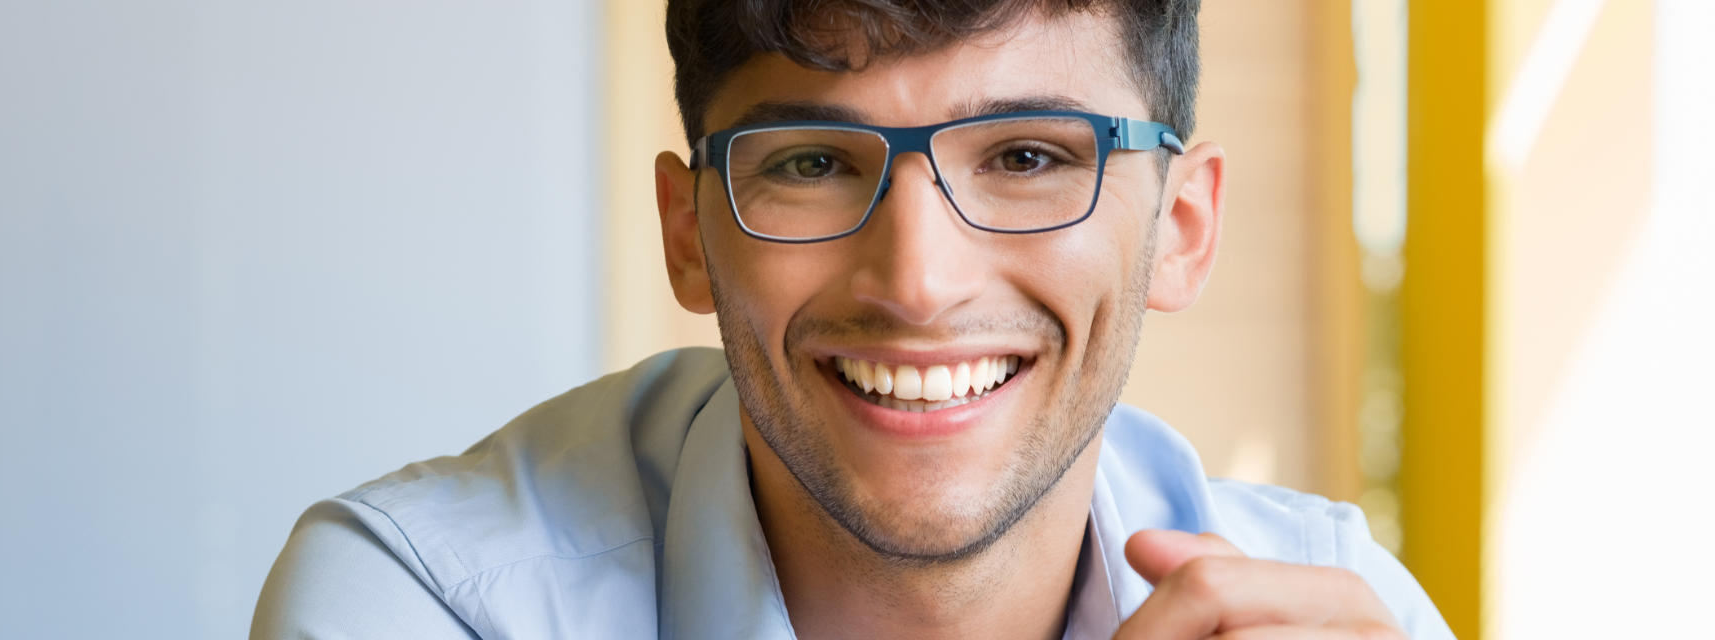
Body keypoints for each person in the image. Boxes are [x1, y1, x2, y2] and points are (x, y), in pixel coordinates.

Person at [251, 1, 1452, 638]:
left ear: (1181, 226)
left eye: (1029, 155)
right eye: (814, 162)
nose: (919, 283)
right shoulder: (428, 603)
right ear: (689, 232)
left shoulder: (1335, 604)